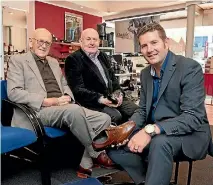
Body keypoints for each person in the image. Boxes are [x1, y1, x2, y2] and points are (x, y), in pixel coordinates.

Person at [107, 22, 212, 185]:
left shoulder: (189, 68)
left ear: (166, 42)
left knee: (159, 143)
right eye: (144, 45)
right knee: (115, 146)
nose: (149, 49)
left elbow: (192, 117)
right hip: (158, 132)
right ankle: (150, 180)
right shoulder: (145, 74)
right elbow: (142, 110)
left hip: (191, 134)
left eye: (154, 42)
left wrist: (150, 131)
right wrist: (126, 129)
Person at [6, 28, 115, 178]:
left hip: (62, 106)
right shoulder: (18, 61)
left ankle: (85, 165)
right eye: (40, 41)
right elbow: (13, 92)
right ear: (31, 42)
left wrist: (67, 96)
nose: (44, 46)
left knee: (104, 118)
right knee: (74, 111)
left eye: (48, 43)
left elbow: (65, 85)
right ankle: (96, 152)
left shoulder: (53, 62)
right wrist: (46, 101)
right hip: (38, 110)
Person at [64, 28, 138, 124]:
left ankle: (132, 135)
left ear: (99, 41)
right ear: (80, 41)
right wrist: (101, 99)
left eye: (95, 39)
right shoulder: (73, 59)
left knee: (137, 111)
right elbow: (78, 89)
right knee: (116, 116)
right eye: (88, 39)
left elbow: (113, 79)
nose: (92, 42)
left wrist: (119, 93)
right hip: (93, 102)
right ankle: (117, 138)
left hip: (111, 98)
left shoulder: (103, 56)